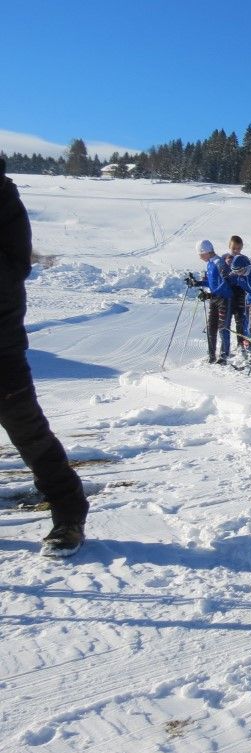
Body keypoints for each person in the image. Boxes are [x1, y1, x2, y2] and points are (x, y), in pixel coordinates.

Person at [0, 159, 89, 557]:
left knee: (29, 434)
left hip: (0, 345)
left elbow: (15, 267)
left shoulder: (3, 197)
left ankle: (69, 512)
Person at [192, 239, 233, 365]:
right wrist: (197, 283)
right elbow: (212, 282)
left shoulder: (219, 263)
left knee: (222, 327)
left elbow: (226, 282)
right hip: (215, 299)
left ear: (206, 252)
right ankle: (211, 355)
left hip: (224, 299)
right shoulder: (209, 263)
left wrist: (211, 293)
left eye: (200, 254)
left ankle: (224, 356)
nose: (199, 257)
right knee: (211, 327)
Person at [223, 235, 249, 359]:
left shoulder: (243, 259)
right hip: (227, 293)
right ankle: (225, 348)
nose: (236, 251)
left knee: (240, 319)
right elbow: (221, 274)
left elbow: (248, 274)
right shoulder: (224, 258)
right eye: (234, 248)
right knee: (226, 321)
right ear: (230, 246)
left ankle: (241, 344)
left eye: (238, 248)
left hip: (240, 292)